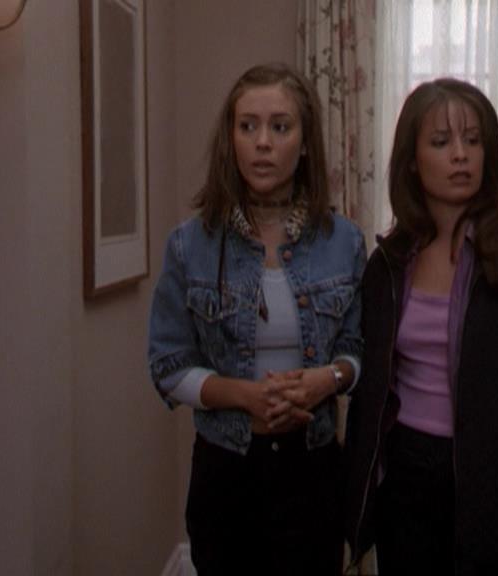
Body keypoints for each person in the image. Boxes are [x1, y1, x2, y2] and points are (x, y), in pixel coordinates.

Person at [343, 78, 498, 576]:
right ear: (413, 161)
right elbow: (369, 384)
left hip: (495, 488)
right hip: (406, 481)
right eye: (441, 142)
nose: (460, 154)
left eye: (473, 140)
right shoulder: (388, 264)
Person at [148, 63, 366, 576]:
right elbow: (168, 365)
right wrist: (244, 397)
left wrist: (328, 379)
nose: (263, 142)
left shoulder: (344, 242)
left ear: (305, 143)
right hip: (226, 469)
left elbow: (359, 348)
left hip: (313, 468)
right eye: (248, 126)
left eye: (280, 126)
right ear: (231, 140)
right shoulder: (190, 245)